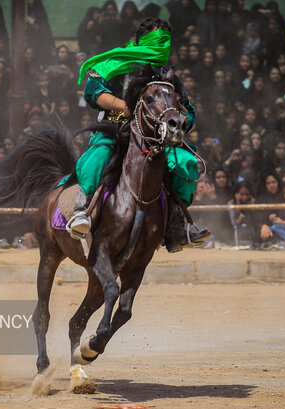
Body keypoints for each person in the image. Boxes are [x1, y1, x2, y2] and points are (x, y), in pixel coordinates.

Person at [69, 17, 209, 252]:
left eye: (167, 40)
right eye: (158, 39)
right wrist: (124, 106)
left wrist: (182, 122)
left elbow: (188, 110)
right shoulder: (115, 64)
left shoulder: (169, 76)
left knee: (186, 163)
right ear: (142, 40)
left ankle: (176, 226)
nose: (163, 45)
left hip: (157, 139)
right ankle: (82, 213)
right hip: (116, 129)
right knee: (98, 157)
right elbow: (93, 93)